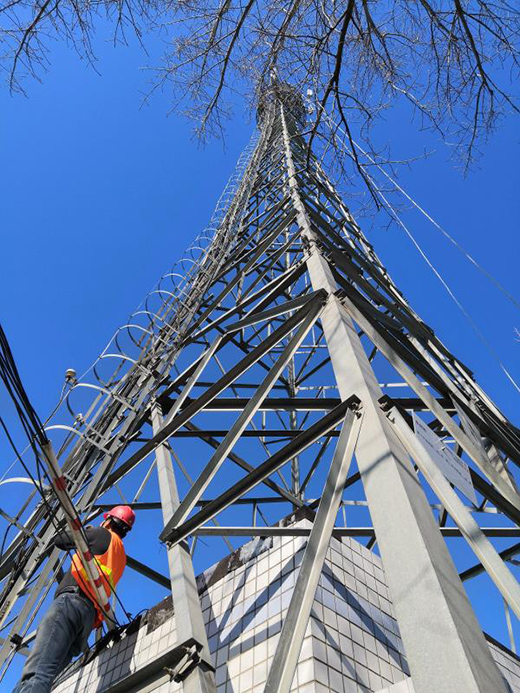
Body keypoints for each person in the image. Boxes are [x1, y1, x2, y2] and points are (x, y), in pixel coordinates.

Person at [12, 505, 135, 693]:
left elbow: (61, 540)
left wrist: (84, 530)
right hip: (87, 619)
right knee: (45, 675)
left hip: (71, 603)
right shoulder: (120, 555)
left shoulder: (101, 534)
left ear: (109, 520)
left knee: (37, 674)